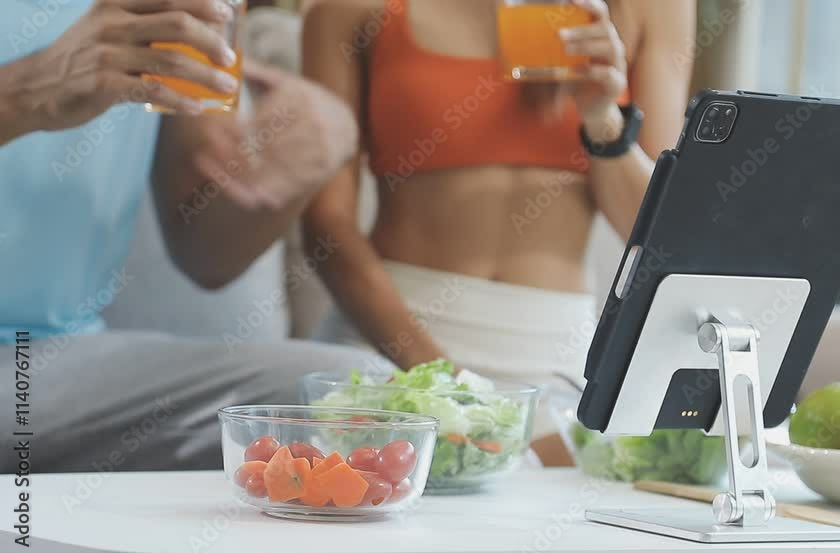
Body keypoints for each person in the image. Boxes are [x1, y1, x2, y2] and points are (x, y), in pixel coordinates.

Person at [301, 0, 694, 462]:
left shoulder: (654, 7)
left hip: (554, 360)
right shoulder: (346, 10)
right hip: (391, 354)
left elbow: (662, 239)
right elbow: (326, 226)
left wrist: (603, 120)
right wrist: (441, 381)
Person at [0, 0, 383, 472]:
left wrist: (284, 179)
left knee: (357, 399)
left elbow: (207, 258)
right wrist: (19, 95)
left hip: (56, 369)